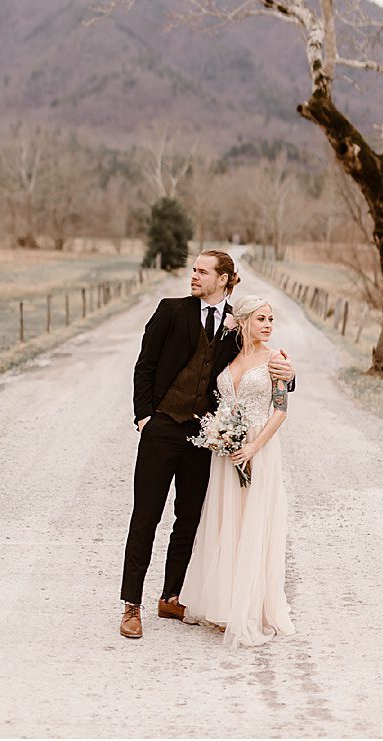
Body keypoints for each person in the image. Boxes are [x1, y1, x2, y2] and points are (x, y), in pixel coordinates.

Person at [118, 251, 294, 640]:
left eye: (202, 271)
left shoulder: (237, 323)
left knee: (189, 519)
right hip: (162, 428)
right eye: (194, 270)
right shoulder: (171, 311)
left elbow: (261, 366)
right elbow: (144, 365)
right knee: (146, 517)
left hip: (205, 438)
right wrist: (144, 417)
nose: (194, 276)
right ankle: (131, 605)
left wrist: (290, 373)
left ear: (225, 278)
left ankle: (171, 595)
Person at [179, 295, 295, 647]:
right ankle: (222, 604)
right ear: (243, 321)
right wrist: (221, 436)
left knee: (252, 523)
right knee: (225, 521)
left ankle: (249, 607)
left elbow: (281, 410)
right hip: (226, 452)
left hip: (258, 449)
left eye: (271, 319)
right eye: (261, 319)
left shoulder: (276, 360)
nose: (268, 325)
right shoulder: (228, 358)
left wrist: (253, 447)